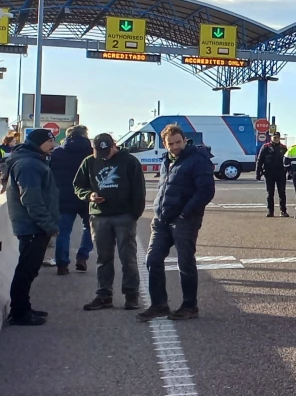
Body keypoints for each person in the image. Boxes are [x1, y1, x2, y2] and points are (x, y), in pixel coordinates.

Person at [138, 124, 216, 322]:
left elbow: (206, 191)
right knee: (153, 260)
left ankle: (190, 306)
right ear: (164, 144)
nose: (175, 147)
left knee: (185, 262)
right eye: (170, 144)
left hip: (185, 220)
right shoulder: (167, 160)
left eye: (178, 142)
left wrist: (185, 213)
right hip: (162, 219)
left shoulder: (197, 159)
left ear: (184, 140)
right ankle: (159, 304)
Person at [76, 132, 147, 311]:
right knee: (103, 258)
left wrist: (134, 214)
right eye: (100, 154)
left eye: (107, 152)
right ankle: (104, 295)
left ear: (114, 145)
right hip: (99, 216)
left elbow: (139, 190)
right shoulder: (89, 162)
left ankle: (131, 295)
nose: (104, 156)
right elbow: (78, 185)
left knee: (128, 258)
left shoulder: (129, 161)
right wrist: (89, 196)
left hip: (124, 216)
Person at [5, 129, 59, 325]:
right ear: (39, 143)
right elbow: (31, 199)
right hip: (32, 226)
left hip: (32, 226)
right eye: (49, 142)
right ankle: (19, 313)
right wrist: (48, 224)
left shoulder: (32, 160)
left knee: (29, 270)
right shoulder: (29, 164)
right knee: (26, 270)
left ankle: (23, 308)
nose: (53, 146)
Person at [49, 124, 94, 274]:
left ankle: (62, 265)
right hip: (86, 196)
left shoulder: (57, 153)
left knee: (63, 232)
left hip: (63, 197)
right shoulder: (92, 153)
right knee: (90, 228)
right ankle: (82, 256)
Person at [257, 131, 289, 218]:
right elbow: (260, 160)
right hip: (269, 173)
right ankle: (270, 211)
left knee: (282, 193)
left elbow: (288, 161)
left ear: (279, 138)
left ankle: (283, 211)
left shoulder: (283, 148)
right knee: (270, 193)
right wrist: (258, 173)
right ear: (271, 138)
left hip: (281, 173)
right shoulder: (266, 147)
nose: (276, 139)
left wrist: (289, 172)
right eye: (274, 137)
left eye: (277, 137)